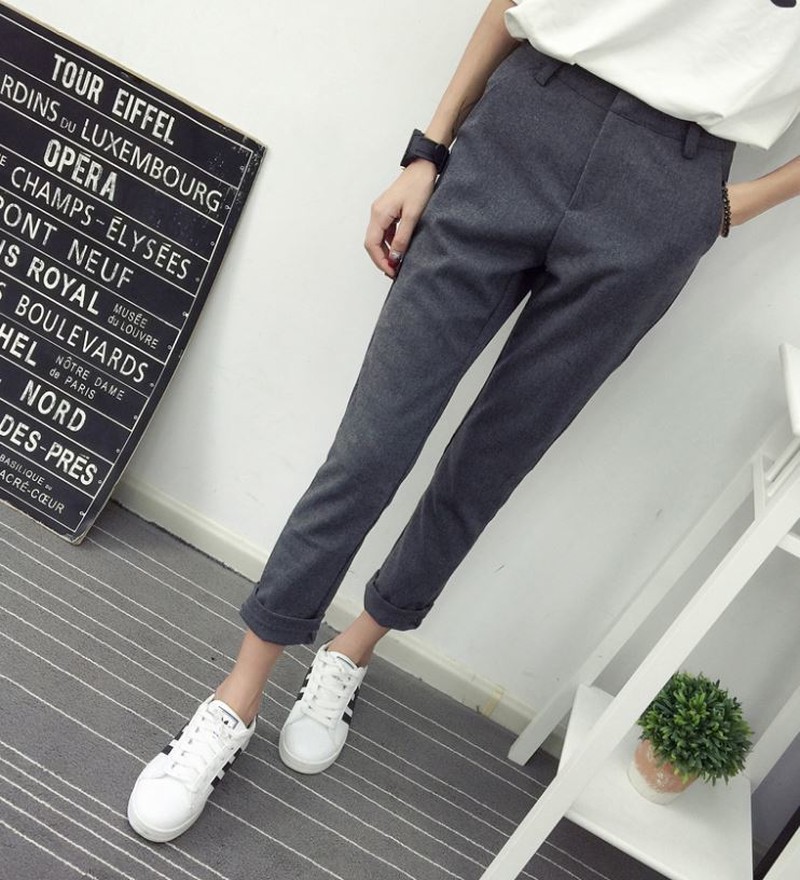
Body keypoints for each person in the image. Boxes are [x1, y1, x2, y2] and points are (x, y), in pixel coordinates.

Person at [127, 0, 800, 842]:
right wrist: (429, 149)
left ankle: (352, 649)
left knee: (488, 463)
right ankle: (238, 696)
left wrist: (727, 207)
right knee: (371, 446)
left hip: (668, 189)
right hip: (527, 121)